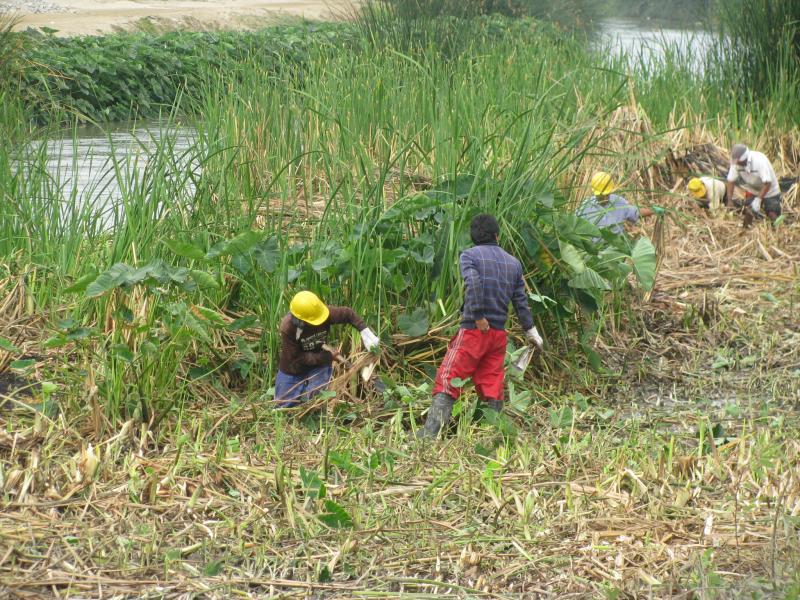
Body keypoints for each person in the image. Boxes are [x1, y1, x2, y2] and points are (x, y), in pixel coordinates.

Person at [417, 214, 543, 439]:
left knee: (448, 376)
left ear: (473, 237)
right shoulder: (513, 263)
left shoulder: (469, 256)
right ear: (497, 236)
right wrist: (531, 331)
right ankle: (490, 434)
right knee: (492, 381)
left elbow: (473, 284)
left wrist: (476, 316)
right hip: (498, 336)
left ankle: (429, 435)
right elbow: (521, 302)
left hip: (475, 332)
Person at [274, 291, 379, 408]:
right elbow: (296, 358)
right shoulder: (288, 327)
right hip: (293, 368)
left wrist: (364, 330)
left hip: (319, 364)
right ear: (300, 320)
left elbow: (348, 314)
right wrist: (328, 357)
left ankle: (315, 418)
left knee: (317, 402)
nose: (318, 323)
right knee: (283, 407)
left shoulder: (323, 314)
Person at [577, 171, 660, 236]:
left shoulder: (618, 202)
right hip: (595, 254)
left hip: (616, 251)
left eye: (607, 194)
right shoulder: (586, 206)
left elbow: (635, 212)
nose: (605, 198)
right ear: (595, 193)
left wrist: (653, 211)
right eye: (601, 195)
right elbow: (575, 226)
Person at [726, 144, 782, 223]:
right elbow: (730, 181)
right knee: (749, 211)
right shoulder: (736, 164)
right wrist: (729, 200)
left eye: (738, 162)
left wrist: (758, 200)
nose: (736, 164)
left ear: (743, 159)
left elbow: (767, 183)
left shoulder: (759, 161)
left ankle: (778, 228)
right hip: (753, 190)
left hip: (770, 190)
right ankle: (749, 229)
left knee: (772, 213)